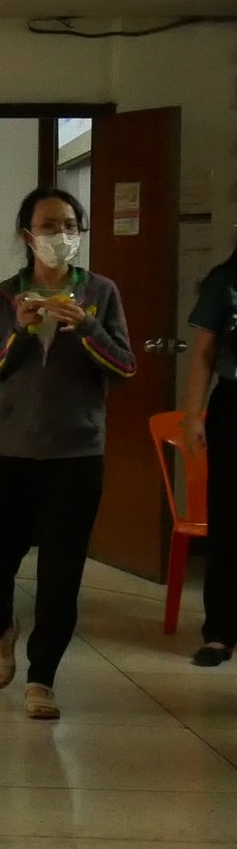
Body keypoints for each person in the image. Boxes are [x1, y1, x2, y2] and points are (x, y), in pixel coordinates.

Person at [0, 187, 133, 719]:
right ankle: (0, 630)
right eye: (49, 225)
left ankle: (42, 678)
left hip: (75, 454)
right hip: (10, 451)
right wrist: (20, 331)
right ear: (27, 235)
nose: (60, 234)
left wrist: (86, 327)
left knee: (61, 574)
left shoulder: (100, 292)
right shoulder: (4, 296)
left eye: (69, 225)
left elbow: (124, 368)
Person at [181, 245, 237, 666]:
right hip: (234, 406)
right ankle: (220, 632)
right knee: (229, 519)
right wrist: (192, 415)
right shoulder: (225, 281)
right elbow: (204, 352)